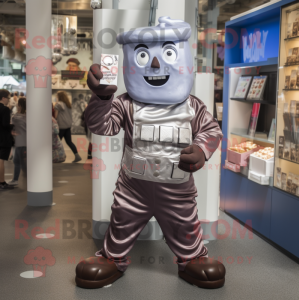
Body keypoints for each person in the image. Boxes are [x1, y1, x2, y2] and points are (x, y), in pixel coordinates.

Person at [76, 17, 225, 289]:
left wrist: (202, 150)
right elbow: (101, 126)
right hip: (133, 188)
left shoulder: (193, 105)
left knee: (185, 225)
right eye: (143, 55)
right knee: (121, 221)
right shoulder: (126, 104)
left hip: (177, 190)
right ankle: (112, 257)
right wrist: (101, 98)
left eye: (168, 53)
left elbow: (212, 130)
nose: (155, 64)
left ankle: (192, 258)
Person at [54, 91, 81, 163]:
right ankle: (77, 156)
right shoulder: (68, 104)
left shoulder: (58, 105)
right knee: (69, 142)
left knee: (56, 142)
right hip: (68, 126)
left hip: (61, 126)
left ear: (59, 97)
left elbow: (55, 116)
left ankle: (56, 157)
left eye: (57, 96)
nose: (56, 97)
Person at [8, 98, 27, 186]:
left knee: (17, 161)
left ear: (19, 105)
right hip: (24, 141)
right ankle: (18, 179)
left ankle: (15, 180)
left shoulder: (17, 116)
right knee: (21, 162)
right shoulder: (27, 115)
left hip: (20, 142)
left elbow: (12, 125)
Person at [0, 89, 14, 190]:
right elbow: (5, 124)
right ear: (3, 98)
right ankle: (2, 182)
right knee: (1, 160)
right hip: (3, 138)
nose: (8, 100)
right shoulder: (5, 109)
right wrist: (12, 126)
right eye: (8, 98)